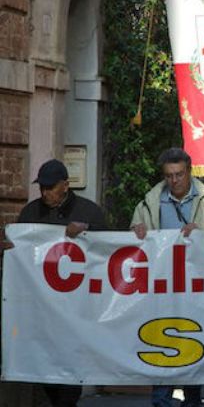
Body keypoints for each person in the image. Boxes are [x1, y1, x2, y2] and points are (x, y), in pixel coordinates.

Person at [129, 148, 204, 407]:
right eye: (169, 176)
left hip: (195, 288)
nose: (174, 180)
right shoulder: (149, 202)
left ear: (189, 171)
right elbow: (133, 236)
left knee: (192, 345)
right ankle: (161, 401)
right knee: (161, 348)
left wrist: (203, 231)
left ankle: (192, 400)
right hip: (161, 288)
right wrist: (135, 229)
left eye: (179, 174)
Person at [14, 159, 106, 407]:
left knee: (70, 372)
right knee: (45, 368)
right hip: (41, 309)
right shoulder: (30, 213)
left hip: (76, 310)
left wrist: (87, 230)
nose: (45, 193)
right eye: (42, 187)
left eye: (50, 187)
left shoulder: (89, 212)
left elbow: (108, 248)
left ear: (65, 185)